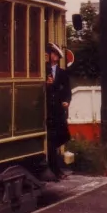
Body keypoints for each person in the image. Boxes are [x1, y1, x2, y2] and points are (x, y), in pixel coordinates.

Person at [45, 42, 72, 180]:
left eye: (55, 54)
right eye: (52, 53)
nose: (53, 56)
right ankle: (55, 169)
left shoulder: (62, 73)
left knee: (60, 138)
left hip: (59, 111)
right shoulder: (44, 71)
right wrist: (47, 85)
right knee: (51, 140)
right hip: (48, 112)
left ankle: (56, 167)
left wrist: (67, 101)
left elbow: (68, 91)